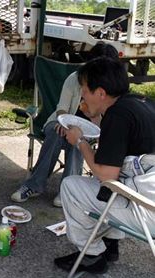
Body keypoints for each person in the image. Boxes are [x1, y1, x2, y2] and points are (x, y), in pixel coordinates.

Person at [54, 57, 155, 274]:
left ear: (100, 93)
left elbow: (106, 175)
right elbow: (118, 145)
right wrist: (94, 116)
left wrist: (80, 142)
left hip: (147, 212)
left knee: (72, 187)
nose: (81, 95)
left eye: (84, 90)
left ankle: (91, 255)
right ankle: (111, 245)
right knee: (105, 188)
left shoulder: (117, 115)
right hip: (148, 195)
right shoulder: (140, 103)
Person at [11, 42, 119, 207]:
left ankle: (67, 191)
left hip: (90, 131)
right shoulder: (75, 79)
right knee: (56, 132)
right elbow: (62, 109)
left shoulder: (111, 89)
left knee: (78, 141)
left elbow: (108, 121)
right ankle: (34, 186)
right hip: (61, 121)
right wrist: (65, 123)